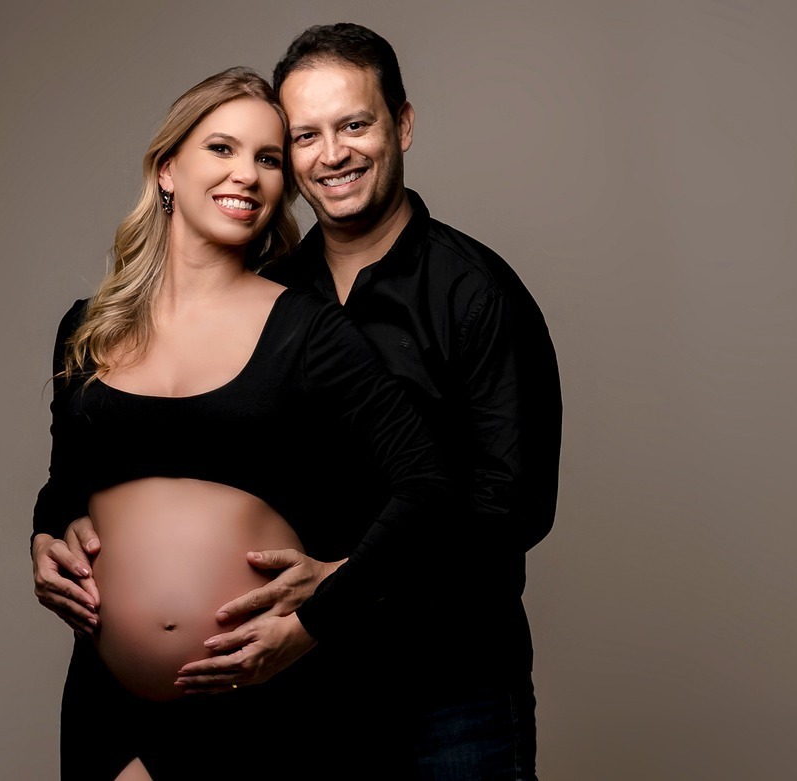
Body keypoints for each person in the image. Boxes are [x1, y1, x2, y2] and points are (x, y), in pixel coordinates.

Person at [31, 65, 451, 780]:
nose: (247, 175)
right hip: (106, 699)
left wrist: (319, 613)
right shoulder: (88, 328)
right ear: (168, 169)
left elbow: (427, 484)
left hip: (258, 701)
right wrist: (44, 537)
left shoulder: (308, 330)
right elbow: (66, 484)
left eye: (269, 159)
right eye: (221, 148)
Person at [173, 23, 564, 780]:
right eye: (305, 135)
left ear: (402, 125)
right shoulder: (268, 294)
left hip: (452, 688)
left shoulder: (476, 292)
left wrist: (345, 587)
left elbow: (512, 508)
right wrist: (68, 518)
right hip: (299, 688)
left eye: (354, 125)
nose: (332, 154)